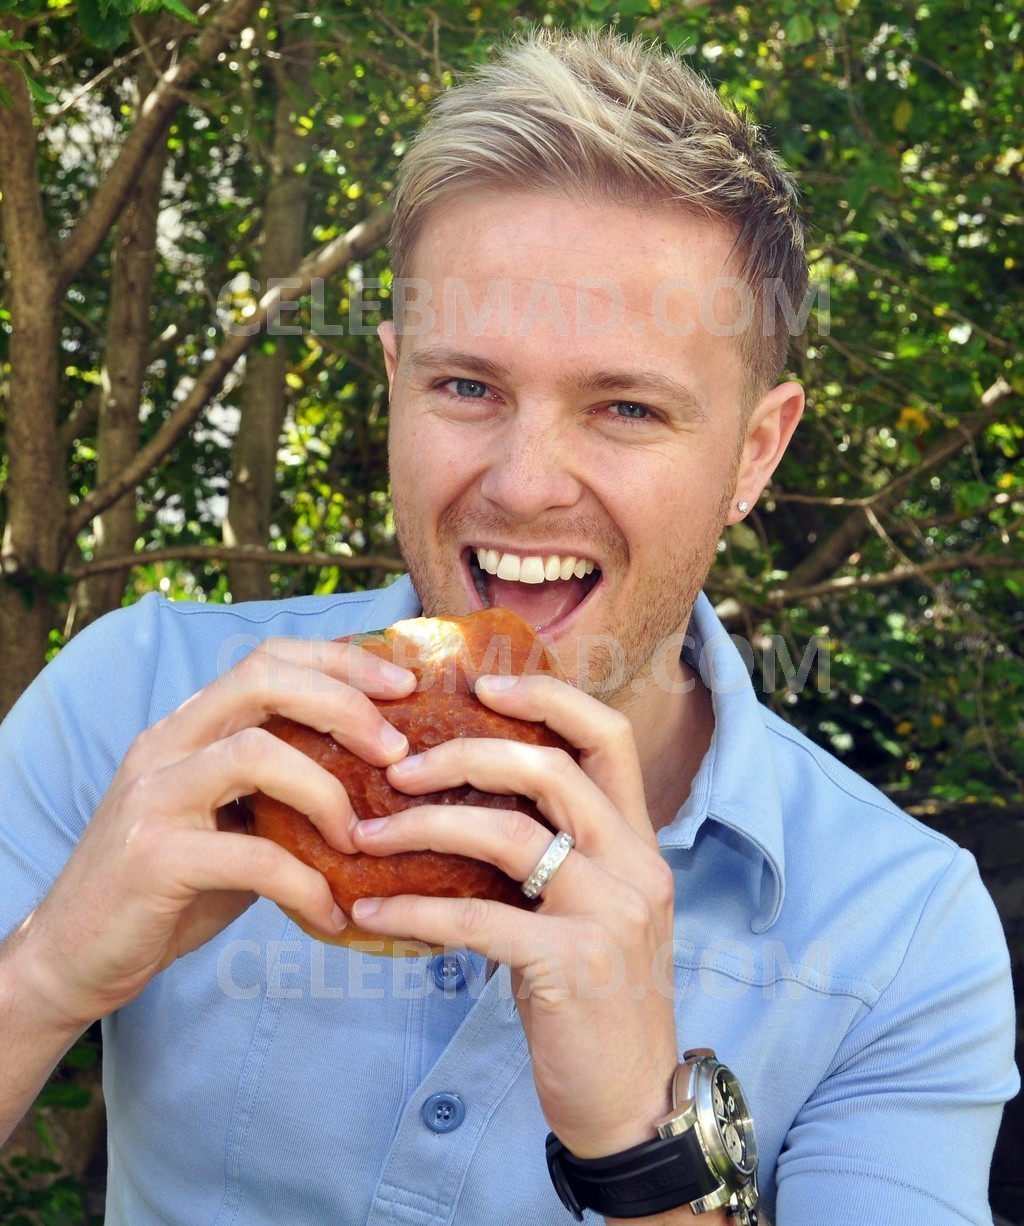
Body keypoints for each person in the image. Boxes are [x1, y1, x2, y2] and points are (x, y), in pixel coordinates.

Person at [0, 27, 1016, 1226]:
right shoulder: (144, 699)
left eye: (625, 406)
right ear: (393, 384)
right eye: (467, 387)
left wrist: (644, 1143)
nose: (526, 483)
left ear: (754, 452)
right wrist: (52, 972)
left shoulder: (904, 931)